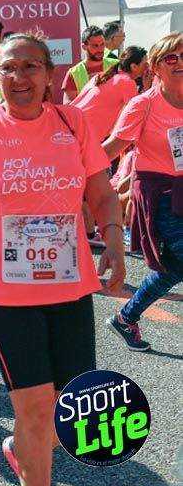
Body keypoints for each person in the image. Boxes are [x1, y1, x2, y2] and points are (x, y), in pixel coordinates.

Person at [0, 33, 125, 486]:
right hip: (3, 292)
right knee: (35, 409)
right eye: (8, 69)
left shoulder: (71, 122)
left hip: (70, 285)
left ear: (50, 74)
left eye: (30, 67)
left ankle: (22, 449)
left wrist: (115, 242)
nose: (19, 78)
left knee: (68, 410)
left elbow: (101, 193)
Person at [102, 33, 183, 352]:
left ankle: (126, 317)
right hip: (161, 195)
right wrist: (70, 173)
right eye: (171, 58)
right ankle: (126, 317)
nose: (180, 63)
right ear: (155, 66)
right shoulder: (143, 104)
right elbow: (110, 148)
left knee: (175, 268)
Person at [69, 46, 145, 143]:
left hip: (72, 127)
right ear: (134, 66)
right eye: (145, 64)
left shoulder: (101, 76)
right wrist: (146, 87)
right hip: (82, 134)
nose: (148, 67)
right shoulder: (127, 82)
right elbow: (136, 115)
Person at [63, 25, 119, 102]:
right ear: (84, 47)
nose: (100, 49)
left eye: (102, 44)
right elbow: (69, 106)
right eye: (95, 45)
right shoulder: (73, 73)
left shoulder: (117, 65)